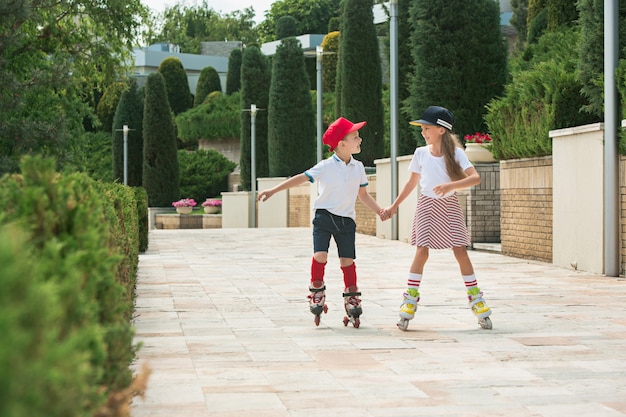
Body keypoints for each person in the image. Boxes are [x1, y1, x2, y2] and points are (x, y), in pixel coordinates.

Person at [258, 117, 386, 328]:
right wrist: (273, 190)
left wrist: (379, 210)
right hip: (324, 217)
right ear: (341, 144)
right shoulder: (326, 166)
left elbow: (363, 195)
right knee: (321, 255)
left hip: (346, 220)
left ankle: (351, 297)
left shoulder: (358, 167)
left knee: (347, 261)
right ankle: (317, 290)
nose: (360, 139)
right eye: (355, 137)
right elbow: (300, 178)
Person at [382, 106, 493, 330]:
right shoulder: (420, 153)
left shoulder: (457, 154)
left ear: (441, 130)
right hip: (426, 206)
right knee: (421, 250)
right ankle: (409, 300)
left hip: (450, 206)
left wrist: (451, 185)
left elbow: (475, 178)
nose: (423, 132)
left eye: (427, 128)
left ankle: (476, 299)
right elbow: (411, 183)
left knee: (460, 250)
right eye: (422, 128)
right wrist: (394, 206)